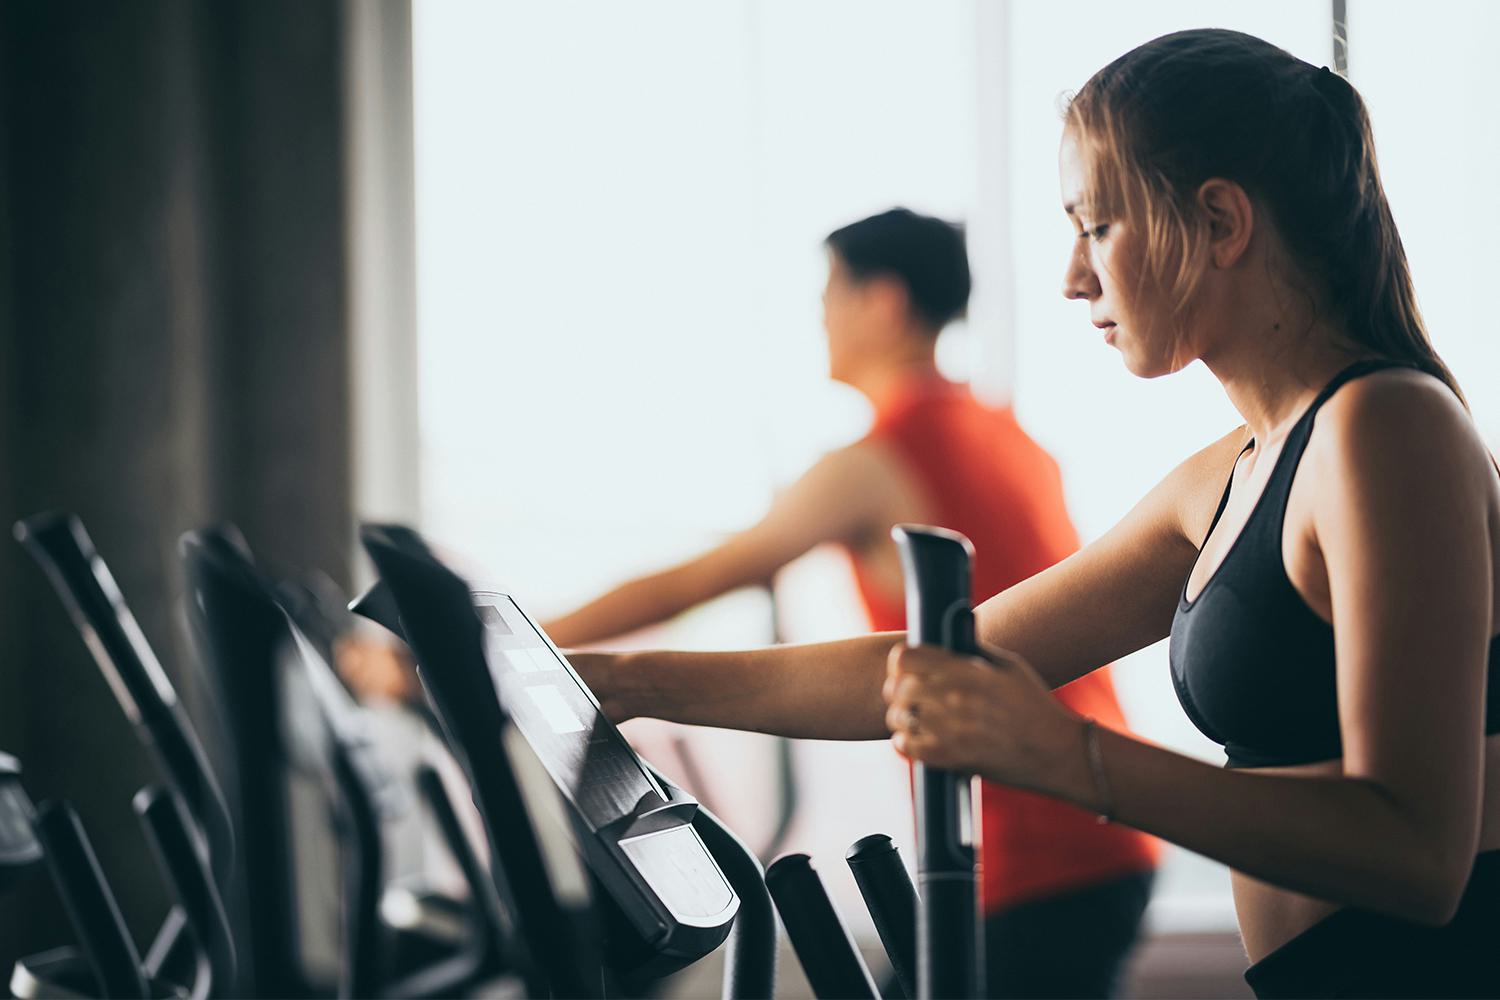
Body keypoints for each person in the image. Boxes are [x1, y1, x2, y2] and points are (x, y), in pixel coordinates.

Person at [570, 30, 1500, 999]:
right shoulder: (1234, 472)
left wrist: (1073, 757)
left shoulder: (1389, 427)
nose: (1072, 275)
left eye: (1098, 226)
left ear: (1221, 222)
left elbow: (1417, 854)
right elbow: (927, 667)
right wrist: (619, 681)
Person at [341, 208, 1159, 997]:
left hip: (1035, 847)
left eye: (830, 295)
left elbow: (688, 584)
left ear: (884, 301)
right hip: (1089, 832)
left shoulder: (882, 456)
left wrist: (494, 652)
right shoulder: (1004, 434)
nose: (819, 318)